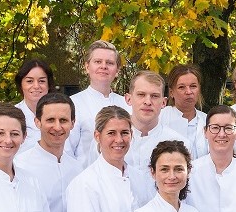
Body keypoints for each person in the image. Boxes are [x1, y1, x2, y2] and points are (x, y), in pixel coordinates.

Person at [124, 71, 192, 203]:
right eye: (141, 95)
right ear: (128, 99)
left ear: (164, 102)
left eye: (154, 96)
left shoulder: (179, 143)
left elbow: (185, 193)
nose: (147, 102)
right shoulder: (111, 142)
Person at [0, 59, 54, 161]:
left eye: (41, 81)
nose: (36, 86)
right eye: (29, 81)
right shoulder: (6, 116)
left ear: (49, 84)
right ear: (21, 84)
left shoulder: (60, 117)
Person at [70, 41, 130, 160]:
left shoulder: (127, 104)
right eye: (98, 62)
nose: (104, 66)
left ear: (117, 70)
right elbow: (67, 150)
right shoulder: (73, 104)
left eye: (109, 63)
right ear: (87, 67)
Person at [163, 65, 210, 158]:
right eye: (181, 87)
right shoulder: (159, 118)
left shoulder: (207, 120)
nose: (188, 92)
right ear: (171, 92)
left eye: (193, 86)